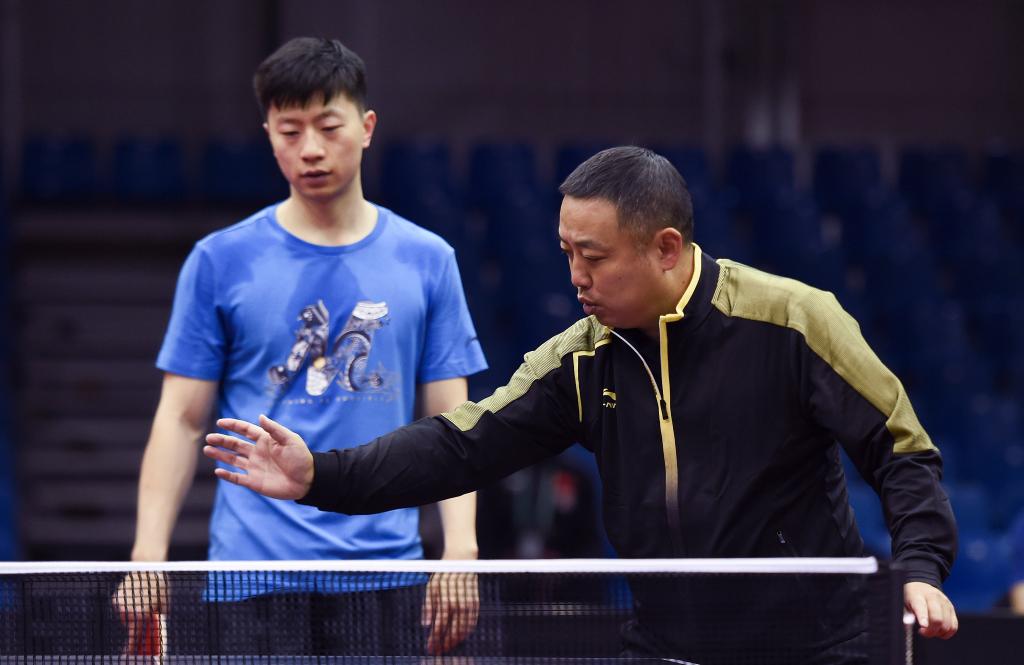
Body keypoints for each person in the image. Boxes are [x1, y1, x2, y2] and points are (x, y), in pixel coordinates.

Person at [204, 146, 959, 662]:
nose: (574, 275)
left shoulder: (794, 321)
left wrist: (921, 567)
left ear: (666, 248)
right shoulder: (581, 357)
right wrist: (320, 474)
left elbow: (899, 448)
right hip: (664, 645)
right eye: (567, 252)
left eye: (592, 256)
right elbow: (463, 443)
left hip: (811, 648)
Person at [115, 36, 487, 657]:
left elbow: (454, 421)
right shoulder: (219, 260)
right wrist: (146, 557)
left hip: (383, 570)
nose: (310, 148)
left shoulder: (428, 260)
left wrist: (461, 552)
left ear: (366, 128)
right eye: (290, 131)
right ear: (269, 134)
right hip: (251, 574)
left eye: (328, 127)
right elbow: (180, 419)